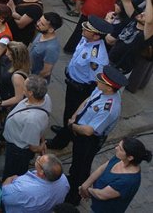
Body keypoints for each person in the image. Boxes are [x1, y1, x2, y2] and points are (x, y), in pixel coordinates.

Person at [55, 65, 127, 205]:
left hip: (89, 140)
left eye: (101, 81)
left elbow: (89, 131)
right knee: (77, 162)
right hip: (80, 129)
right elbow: (88, 100)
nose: (97, 81)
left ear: (109, 88)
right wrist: (75, 116)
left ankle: (74, 196)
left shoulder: (109, 108)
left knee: (82, 166)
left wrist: (72, 126)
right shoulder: (102, 89)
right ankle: (72, 178)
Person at [47, 16, 111, 151]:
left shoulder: (97, 58)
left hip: (80, 89)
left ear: (96, 36)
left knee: (72, 115)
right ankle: (66, 130)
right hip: (73, 82)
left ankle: (61, 141)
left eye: (87, 29)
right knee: (68, 112)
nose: (83, 29)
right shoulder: (85, 39)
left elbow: (96, 80)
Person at [81, 136, 151, 212]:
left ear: (130, 157)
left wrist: (88, 190)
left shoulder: (127, 181)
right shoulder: (120, 158)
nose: (116, 148)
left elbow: (102, 195)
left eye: (120, 149)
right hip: (96, 203)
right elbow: (102, 168)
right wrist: (85, 185)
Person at [2, 76, 52, 181]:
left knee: (12, 174)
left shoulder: (32, 120)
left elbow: (33, 147)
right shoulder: (46, 98)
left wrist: (41, 147)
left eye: (24, 86)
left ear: (30, 93)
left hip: (17, 151)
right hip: (17, 141)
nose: (22, 87)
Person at [1, 154, 70, 213]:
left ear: (41, 172)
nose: (38, 157)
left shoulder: (22, 189)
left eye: (39, 160)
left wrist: (9, 179)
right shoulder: (63, 179)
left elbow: (4, 197)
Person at [30, 13, 63, 83]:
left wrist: (32, 79)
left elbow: (46, 71)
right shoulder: (41, 33)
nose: (38, 24)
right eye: (39, 20)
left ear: (51, 30)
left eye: (42, 24)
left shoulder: (51, 48)